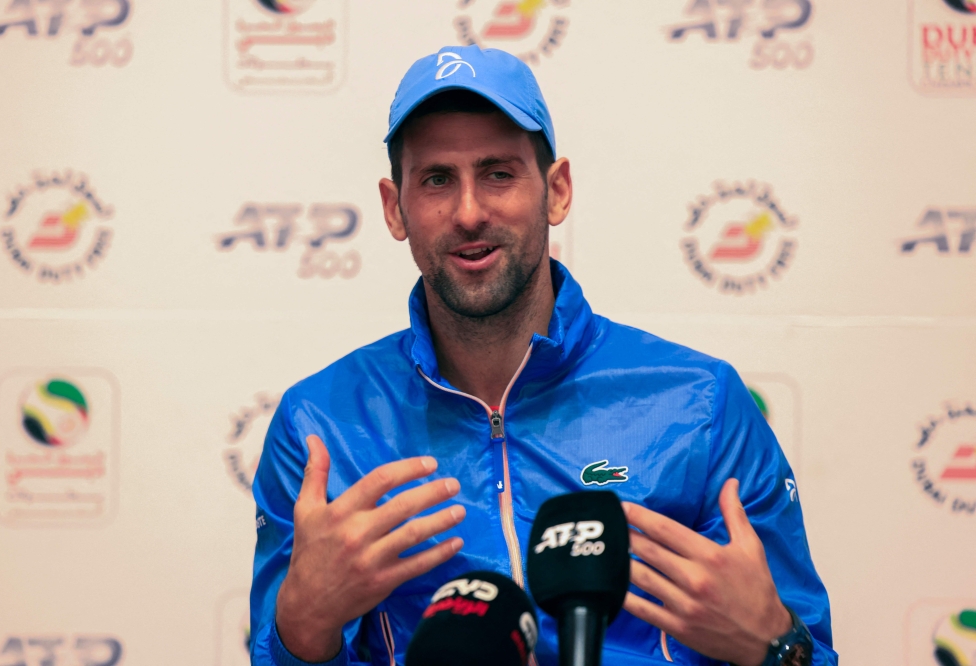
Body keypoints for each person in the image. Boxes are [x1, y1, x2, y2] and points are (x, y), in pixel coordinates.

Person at [250, 45, 836, 666]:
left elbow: (811, 654)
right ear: (397, 208)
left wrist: (778, 646)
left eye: (498, 173)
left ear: (556, 192)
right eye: (437, 180)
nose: (469, 212)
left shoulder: (702, 403)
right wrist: (302, 630)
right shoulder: (319, 426)